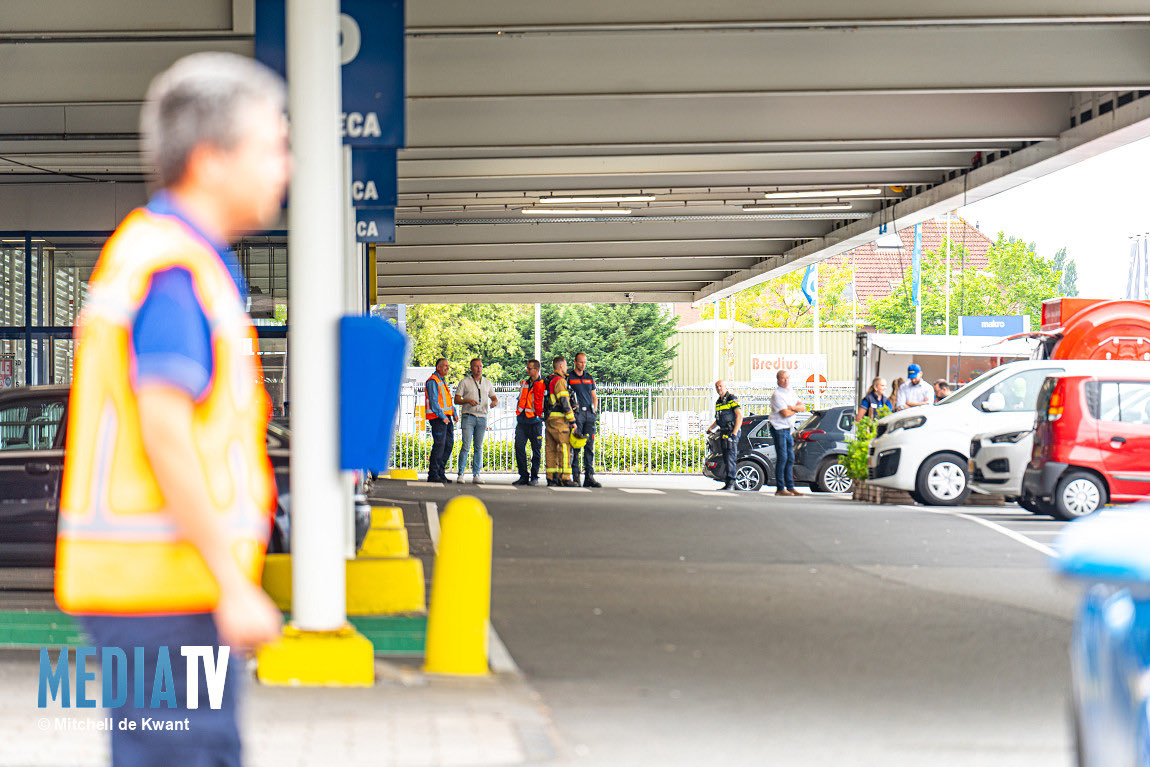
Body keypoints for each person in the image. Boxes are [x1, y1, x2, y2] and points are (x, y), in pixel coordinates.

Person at [54, 53, 287, 766]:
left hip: (156, 587)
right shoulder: (175, 269)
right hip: (163, 590)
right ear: (211, 161)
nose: (286, 166)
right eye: (273, 145)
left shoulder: (168, 256)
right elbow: (165, 430)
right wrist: (231, 582)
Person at [453, 357, 498, 484]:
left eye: (480, 366)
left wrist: (494, 402)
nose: (479, 369)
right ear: (471, 368)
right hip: (469, 416)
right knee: (466, 446)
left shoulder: (487, 382)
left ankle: (476, 474)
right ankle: (461, 473)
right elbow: (456, 400)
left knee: (478, 447)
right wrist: (467, 400)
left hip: (482, 417)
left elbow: (494, 398)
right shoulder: (465, 382)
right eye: (476, 366)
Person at [770, 370, 807, 496]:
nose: (786, 380)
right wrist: (796, 409)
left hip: (788, 429)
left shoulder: (791, 392)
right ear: (778, 380)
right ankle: (780, 488)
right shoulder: (777, 395)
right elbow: (785, 413)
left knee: (790, 457)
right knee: (782, 458)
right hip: (778, 428)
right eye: (783, 378)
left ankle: (790, 487)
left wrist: (792, 408)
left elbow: (803, 407)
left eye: (787, 378)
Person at [544, 356, 579, 487]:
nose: (566, 367)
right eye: (565, 365)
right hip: (559, 420)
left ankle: (551, 478)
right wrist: (572, 420)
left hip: (549, 419)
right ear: (560, 366)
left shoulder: (549, 380)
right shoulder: (560, 381)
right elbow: (564, 402)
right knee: (565, 448)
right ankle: (565, 478)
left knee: (551, 449)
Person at [568, 352, 601, 488]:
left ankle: (589, 477)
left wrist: (594, 412)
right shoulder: (569, 377)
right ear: (575, 362)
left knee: (589, 447)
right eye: (581, 362)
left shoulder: (589, 377)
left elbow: (594, 396)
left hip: (589, 415)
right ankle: (576, 478)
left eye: (585, 362)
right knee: (576, 446)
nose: (583, 365)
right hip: (577, 415)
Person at [513, 359, 546, 486]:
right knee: (519, 447)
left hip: (535, 422)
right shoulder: (525, 383)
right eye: (527, 368)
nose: (527, 370)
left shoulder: (543, 384)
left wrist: (541, 417)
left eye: (529, 368)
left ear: (536, 370)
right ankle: (523, 476)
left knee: (536, 450)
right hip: (522, 421)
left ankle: (534, 476)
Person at [707, 379, 743, 490]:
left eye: (720, 386)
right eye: (717, 387)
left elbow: (739, 416)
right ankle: (728, 483)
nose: (719, 388)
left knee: (730, 458)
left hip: (731, 431)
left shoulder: (731, 398)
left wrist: (734, 433)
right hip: (723, 432)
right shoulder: (718, 401)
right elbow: (719, 419)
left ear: (725, 386)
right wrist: (710, 428)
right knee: (726, 458)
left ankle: (731, 483)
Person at [425, 358, 456, 483]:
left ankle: (440, 473)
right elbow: (434, 402)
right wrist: (443, 417)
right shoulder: (433, 381)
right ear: (438, 367)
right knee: (439, 445)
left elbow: (447, 401)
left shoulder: (442, 381)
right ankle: (433, 474)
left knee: (448, 445)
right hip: (438, 418)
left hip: (446, 417)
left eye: (448, 366)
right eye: (445, 366)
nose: (447, 368)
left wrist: (454, 413)